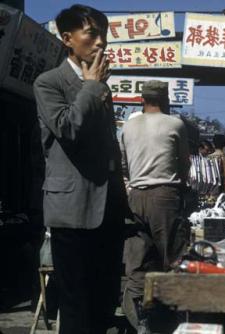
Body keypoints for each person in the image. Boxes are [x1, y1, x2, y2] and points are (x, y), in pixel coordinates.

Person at [33, 5, 129, 334]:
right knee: (76, 305)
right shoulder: (49, 83)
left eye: (104, 34)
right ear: (67, 39)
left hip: (108, 210)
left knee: (104, 302)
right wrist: (90, 87)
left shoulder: (99, 84)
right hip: (72, 212)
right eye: (92, 33)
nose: (101, 42)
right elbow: (67, 129)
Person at [120, 80, 190, 333]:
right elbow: (184, 164)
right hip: (165, 196)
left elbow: (125, 165)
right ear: (166, 100)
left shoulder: (128, 126)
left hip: (135, 197)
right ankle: (177, 318)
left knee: (138, 259)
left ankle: (142, 319)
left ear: (142, 99)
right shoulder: (175, 124)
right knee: (172, 258)